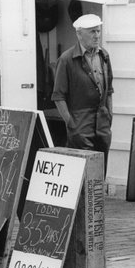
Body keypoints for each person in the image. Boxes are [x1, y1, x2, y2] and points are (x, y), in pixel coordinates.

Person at [51, 14, 114, 178]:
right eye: (92, 31)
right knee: (83, 173)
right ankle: (83, 204)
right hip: (80, 122)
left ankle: (97, 204)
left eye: (98, 31)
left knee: (100, 170)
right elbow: (58, 96)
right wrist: (71, 124)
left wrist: (109, 115)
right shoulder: (67, 59)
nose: (97, 35)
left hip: (102, 122)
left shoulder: (104, 56)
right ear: (79, 34)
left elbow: (110, 90)